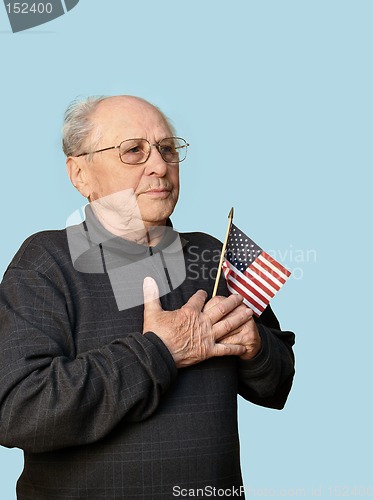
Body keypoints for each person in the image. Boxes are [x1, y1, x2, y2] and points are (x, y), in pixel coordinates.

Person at [0, 95, 295, 500]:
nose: (159, 166)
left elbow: (277, 384)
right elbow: (19, 413)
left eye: (167, 149)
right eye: (134, 151)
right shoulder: (46, 261)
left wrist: (257, 349)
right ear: (80, 173)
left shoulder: (213, 253)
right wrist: (160, 351)